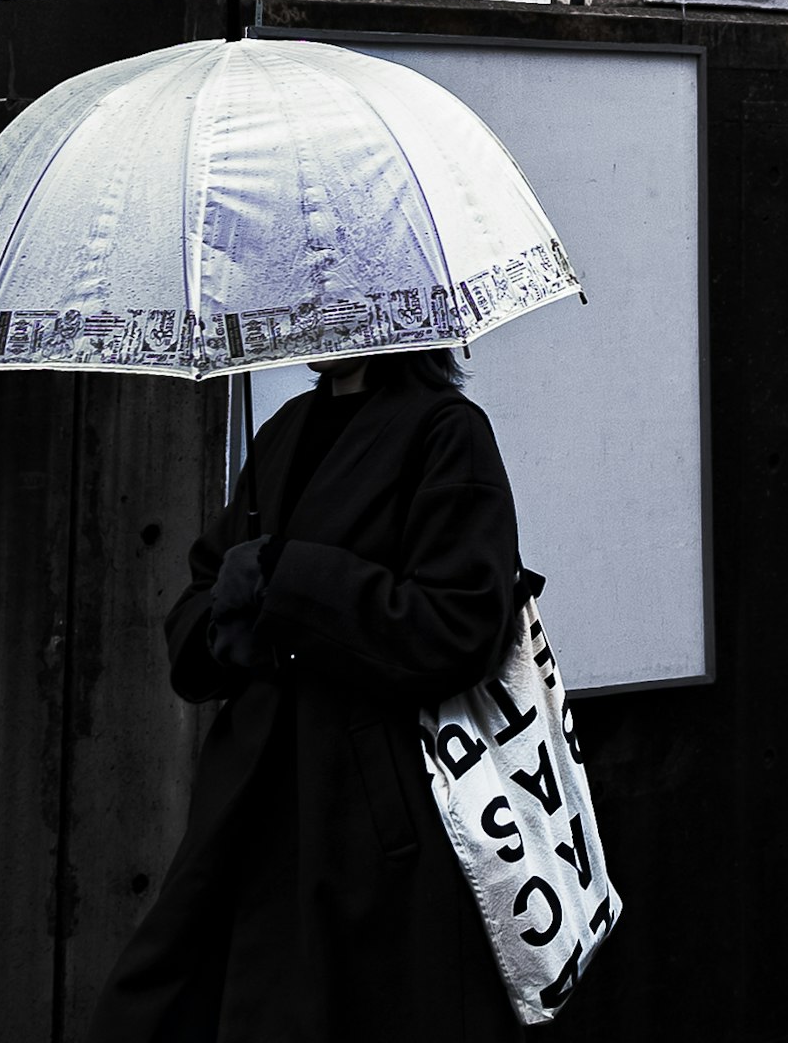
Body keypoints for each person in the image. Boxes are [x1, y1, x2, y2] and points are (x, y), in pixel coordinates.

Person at [89, 347, 530, 1043]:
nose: (313, 304)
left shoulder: (447, 431)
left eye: (337, 282)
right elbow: (206, 593)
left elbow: (460, 625)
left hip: (371, 814)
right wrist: (224, 620)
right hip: (251, 800)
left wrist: (292, 579)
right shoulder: (286, 428)